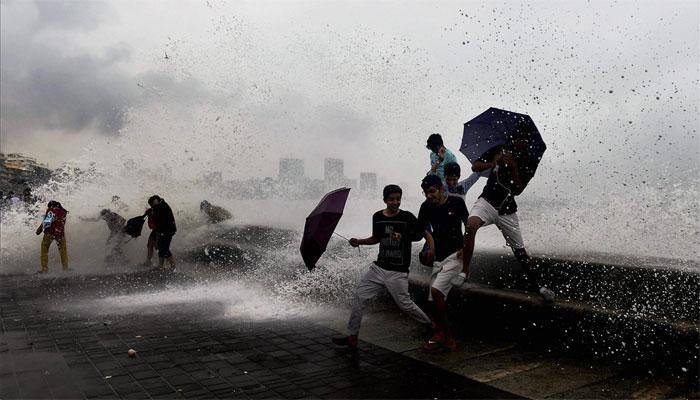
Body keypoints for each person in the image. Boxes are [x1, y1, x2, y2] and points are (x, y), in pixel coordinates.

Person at [332, 185, 434, 350]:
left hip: (398, 271)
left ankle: (430, 325)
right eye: (392, 199)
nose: (395, 202)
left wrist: (431, 248)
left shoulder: (407, 217)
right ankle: (352, 336)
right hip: (378, 269)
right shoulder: (378, 217)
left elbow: (425, 233)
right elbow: (376, 238)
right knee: (359, 296)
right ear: (385, 200)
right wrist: (359, 241)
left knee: (405, 304)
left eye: (398, 199)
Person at [456, 138, 555, 303]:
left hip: (507, 211)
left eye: (521, 139)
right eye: (515, 137)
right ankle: (465, 271)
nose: (516, 142)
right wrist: (492, 163)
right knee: (470, 226)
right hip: (486, 201)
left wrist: (513, 167)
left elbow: (518, 189)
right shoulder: (499, 149)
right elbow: (475, 166)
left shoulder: (529, 162)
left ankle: (539, 286)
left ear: (526, 142)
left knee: (520, 253)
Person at [417, 174, 470, 351]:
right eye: (425, 193)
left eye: (432, 192)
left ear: (441, 189)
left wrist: (466, 248)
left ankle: (448, 337)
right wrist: (430, 248)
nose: (429, 196)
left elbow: (469, 227)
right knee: (433, 300)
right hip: (438, 258)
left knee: (436, 291)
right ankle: (439, 332)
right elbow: (422, 230)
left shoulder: (456, 203)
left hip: (456, 257)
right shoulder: (426, 207)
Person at [35, 200, 69, 273]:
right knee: (63, 251)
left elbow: (47, 221)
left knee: (44, 250)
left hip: (50, 233)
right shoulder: (63, 212)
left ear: (51, 206)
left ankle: (44, 269)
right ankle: (65, 268)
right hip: (60, 234)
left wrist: (39, 230)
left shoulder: (51, 209)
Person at [148, 195, 177, 269]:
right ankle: (151, 262)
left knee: (163, 248)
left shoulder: (162, 206)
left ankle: (165, 266)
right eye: (151, 204)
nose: (152, 205)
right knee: (155, 244)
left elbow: (158, 214)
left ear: (157, 201)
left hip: (168, 230)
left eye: (153, 203)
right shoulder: (158, 206)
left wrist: (151, 212)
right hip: (160, 230)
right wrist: (151, 212)